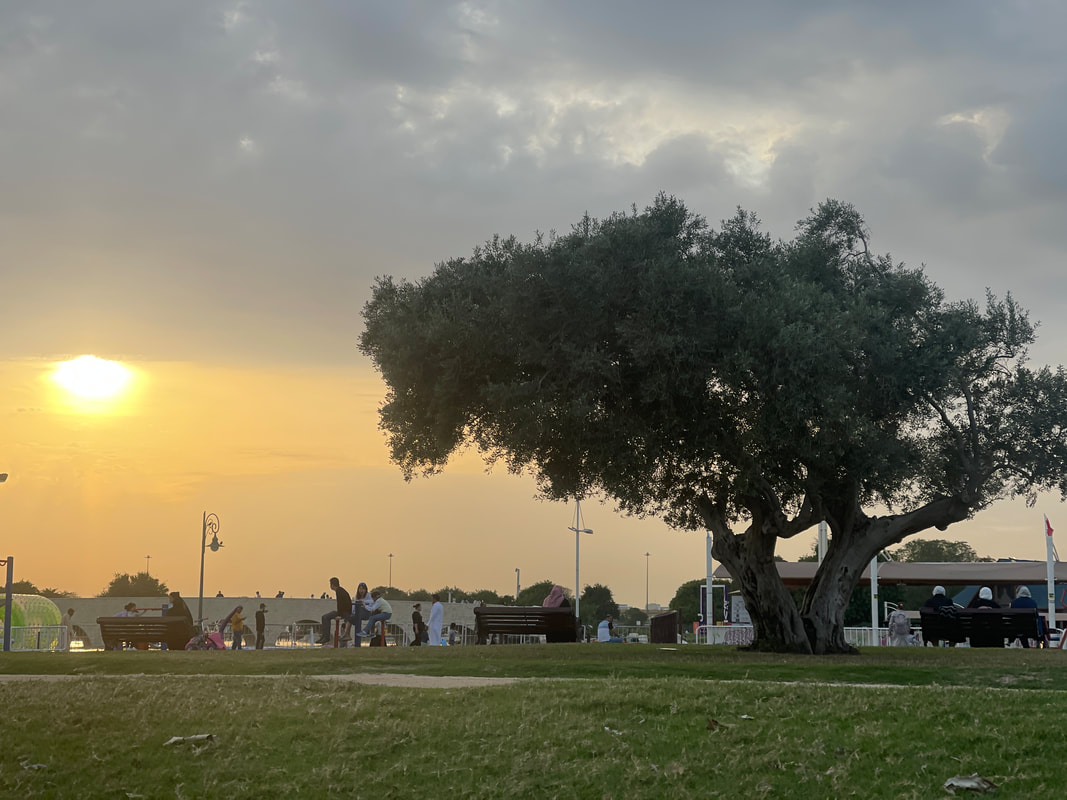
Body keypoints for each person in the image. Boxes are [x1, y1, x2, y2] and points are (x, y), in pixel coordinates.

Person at [318, 577, 352, 644]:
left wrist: (340, 615)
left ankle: (326, 637)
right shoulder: (341, 590)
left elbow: (340, 604)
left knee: (325, 617)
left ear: (332, 585)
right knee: (324, 617)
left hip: (344, 613)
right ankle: (324, 636)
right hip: (343, 612)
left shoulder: (339, 591)